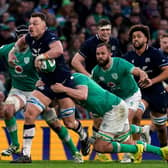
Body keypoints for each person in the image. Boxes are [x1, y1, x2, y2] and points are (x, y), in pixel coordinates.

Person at [8, 12, 90, 163]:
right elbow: (20, 42)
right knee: (30, 113)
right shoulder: (30, 37)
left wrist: (42, 56)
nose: (31, 27)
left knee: (69, 123)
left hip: (63, 83)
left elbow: (58, 50)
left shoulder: (50, 37)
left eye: (35, 24)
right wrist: (12, 52)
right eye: (30, 24)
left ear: (44, 26)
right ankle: (26, 154)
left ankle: (84, 137)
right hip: (46, 85)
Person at [50, 72, 168, 163]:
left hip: (114, 109)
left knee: (100, 146)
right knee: (128, 142)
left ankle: (139, 144)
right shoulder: (66, 89)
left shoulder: (76, 78)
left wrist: (63, 89)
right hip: (113, 109)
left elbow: (82, 95)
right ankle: (161, 150)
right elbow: (54, 103)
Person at [71, 18, 121, 161]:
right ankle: (100, 153)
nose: (106, 32)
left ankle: (93, 143)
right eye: (103, 29)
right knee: (98, 120)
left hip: (112, 86)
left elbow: (118, 62)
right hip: (96, 87)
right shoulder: (89, 44)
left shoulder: (115, 42)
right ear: (97, 30)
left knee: (111, 119)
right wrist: (89, 77)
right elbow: (75, 61)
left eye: (108, 30)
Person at [91, 42, 150, 163]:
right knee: (119, 126)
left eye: (103, 53)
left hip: (131, 95)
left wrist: (143, 75)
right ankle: (142, 130)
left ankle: (128, 154)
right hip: (117, 99)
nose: (100, 56)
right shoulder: (96, 71)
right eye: (98, 54)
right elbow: (91, 86)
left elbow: (137, 71)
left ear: (110, 54)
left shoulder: (120, 63)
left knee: (125, 122)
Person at [124, 24, 168, 148]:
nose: (135, 39)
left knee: (161, 128)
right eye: (133, 37)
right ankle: (137, 149)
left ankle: (165, 149)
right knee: (136, 114)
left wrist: (152, 81)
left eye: (139, 36)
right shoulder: (128, 57)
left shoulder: (155, 53)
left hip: (157, 93)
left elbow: (167, 71)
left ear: (146, 39)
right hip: (140, 94)